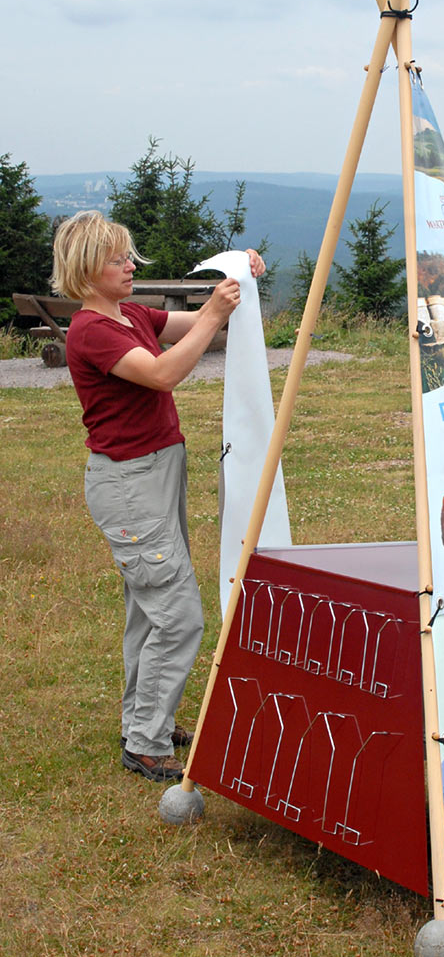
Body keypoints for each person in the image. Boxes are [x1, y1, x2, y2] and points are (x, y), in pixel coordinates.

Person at [51, 211, 266, 782]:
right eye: (117, 258)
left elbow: (197, 322)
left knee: (149, 612)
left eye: (128, 255)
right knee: (178, 617)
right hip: (128, 484)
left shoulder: (129, 315)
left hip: (154, 474)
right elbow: (165, 371)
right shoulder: (91, 330)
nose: (130, 265)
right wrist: (215, 312)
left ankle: (144, 719)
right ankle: (145, 741)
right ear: (84, 268)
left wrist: (240, 280)